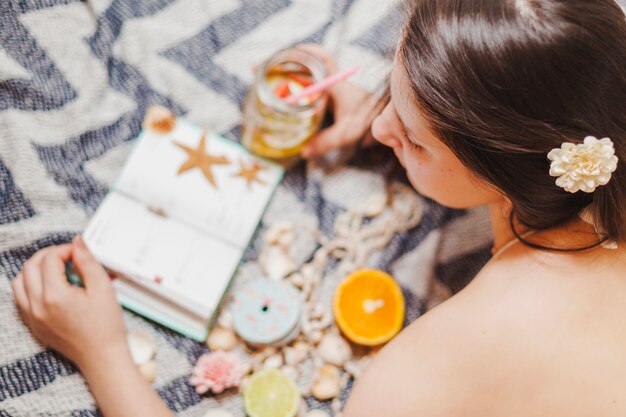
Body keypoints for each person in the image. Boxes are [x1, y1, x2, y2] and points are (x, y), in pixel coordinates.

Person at [11, 0, 626, 415]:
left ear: (505, 175)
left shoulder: (428, 366)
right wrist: (410, 117)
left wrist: (101, 352)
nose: (379, 123)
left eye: (409, 137)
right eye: (392, 79)